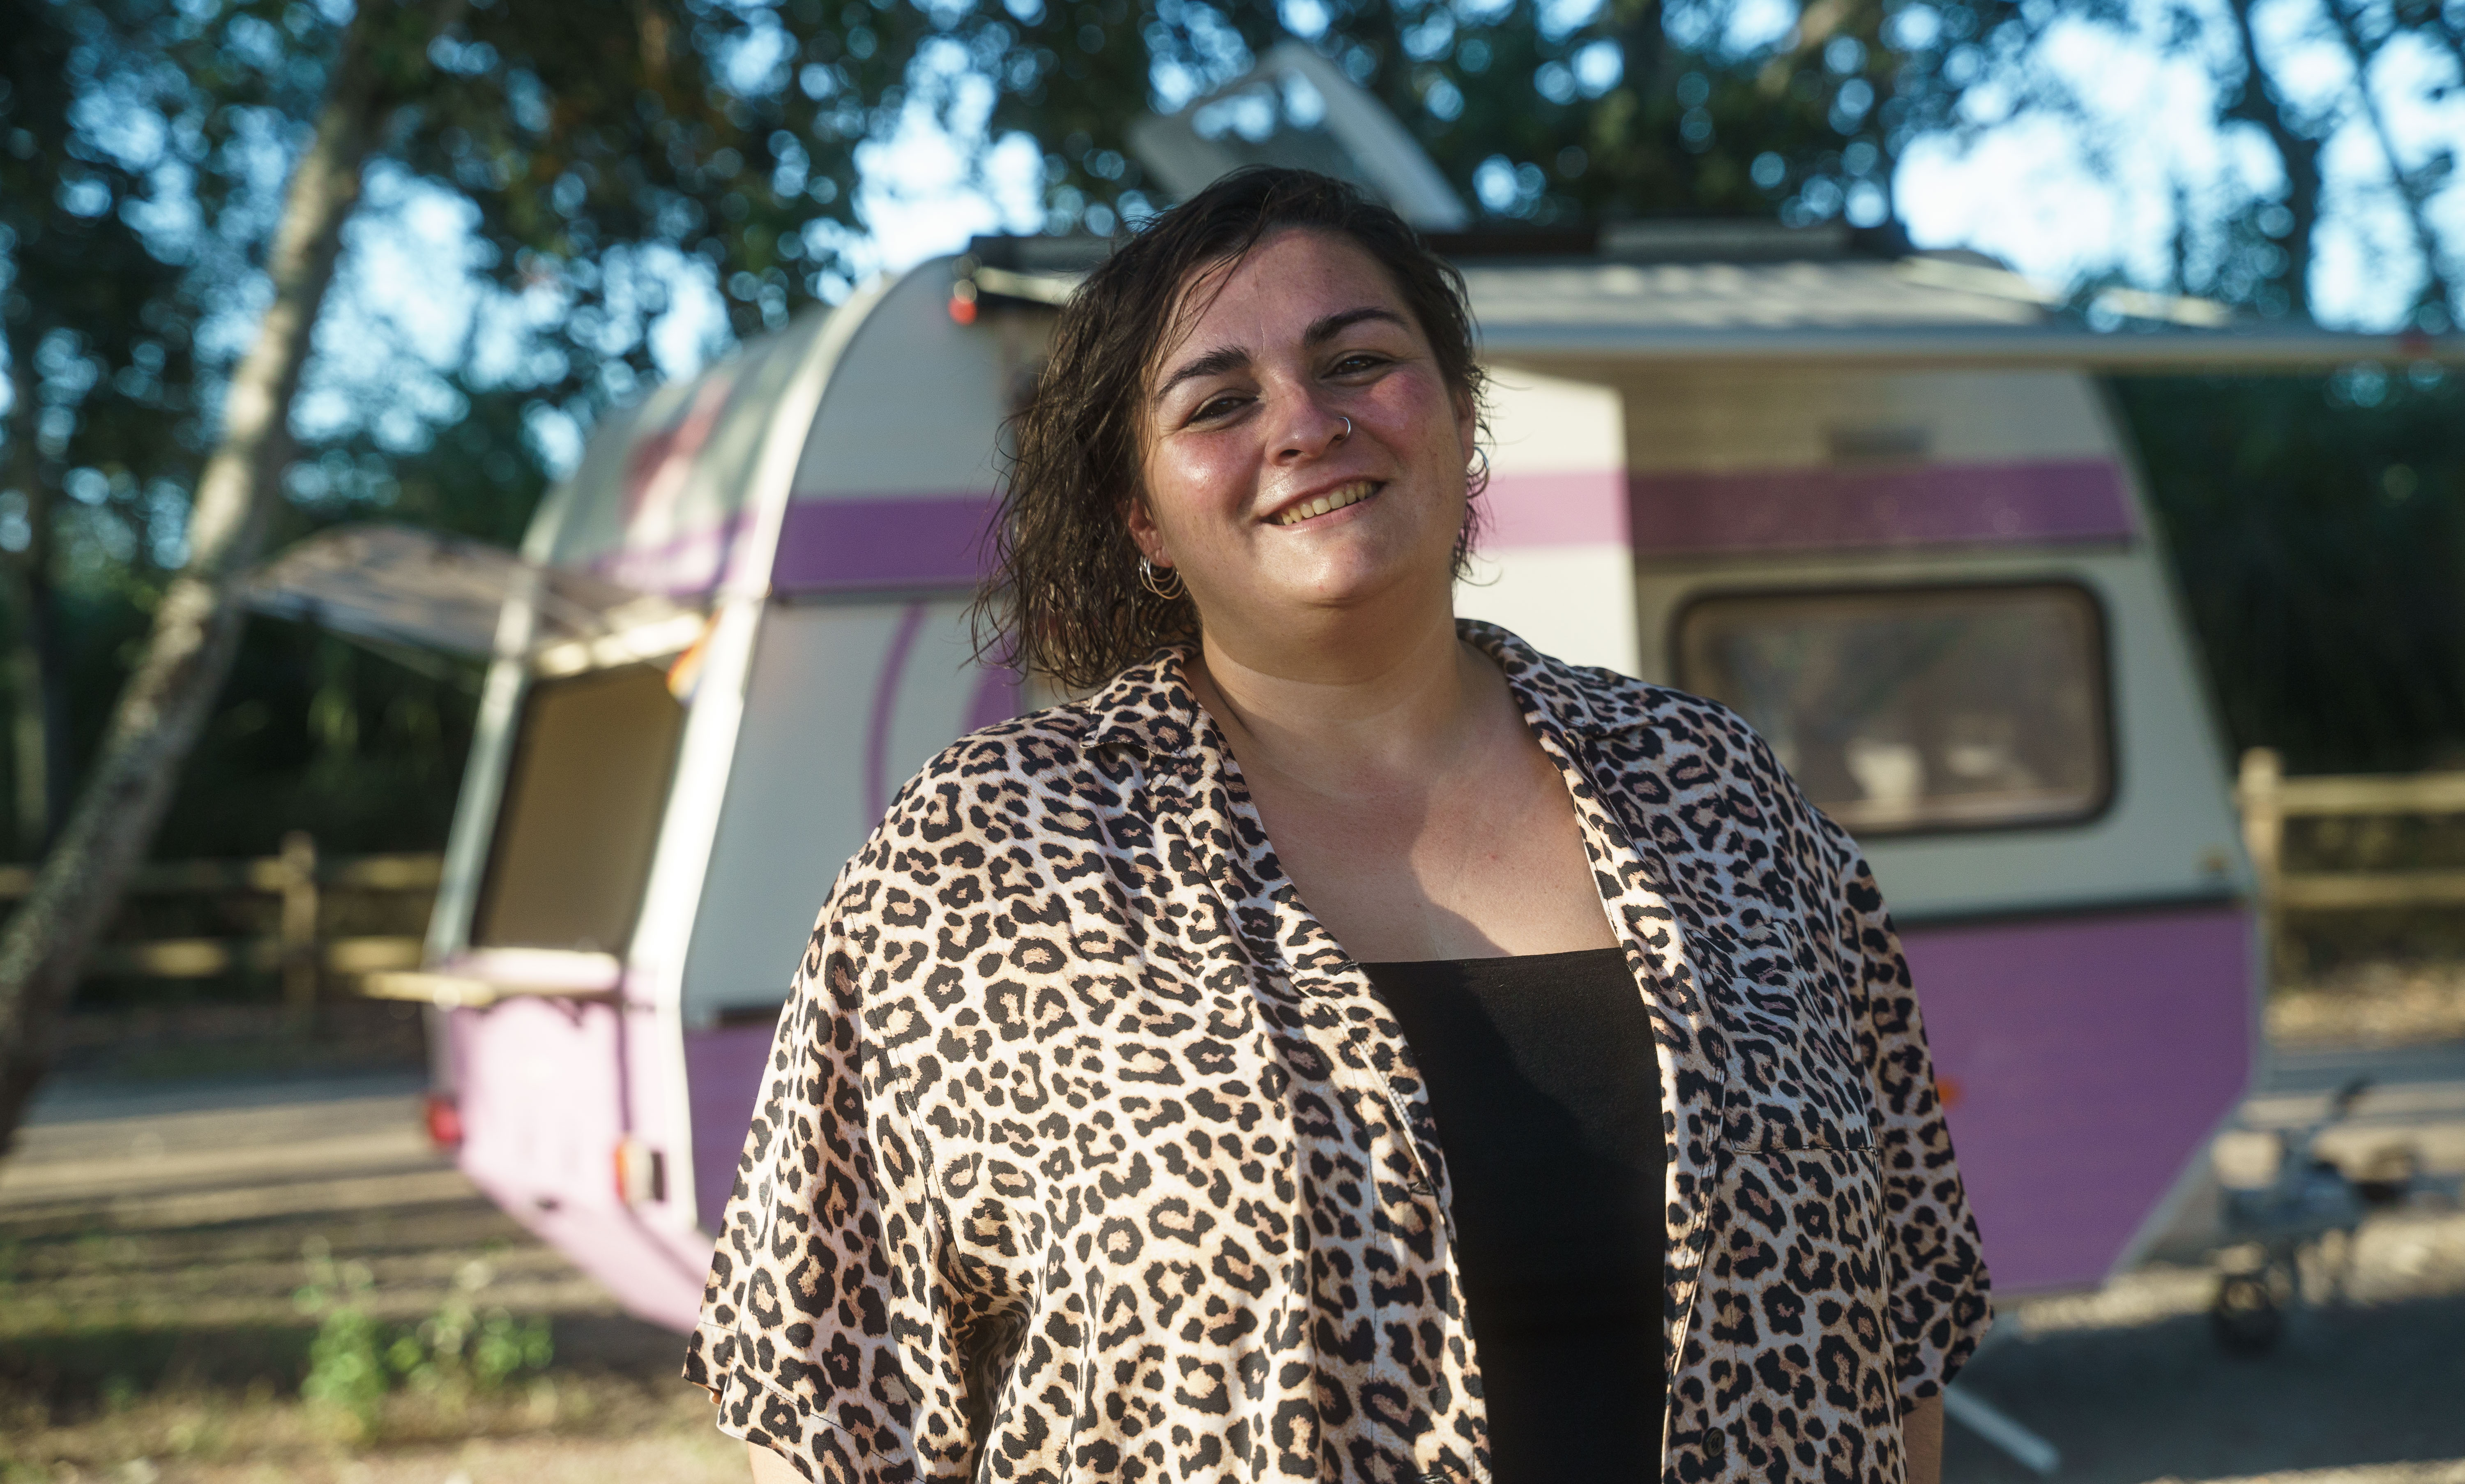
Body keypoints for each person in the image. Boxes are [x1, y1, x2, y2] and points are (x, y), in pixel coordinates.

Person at [686, 167, 1991, 1484]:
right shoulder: (988, 853)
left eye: (1358, 361)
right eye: (1219, 402)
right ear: (1143, 515)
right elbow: (829, 1386)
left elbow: (1901, 1326)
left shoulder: (1720, 793)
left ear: (1462, 414)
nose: (1307, 425)